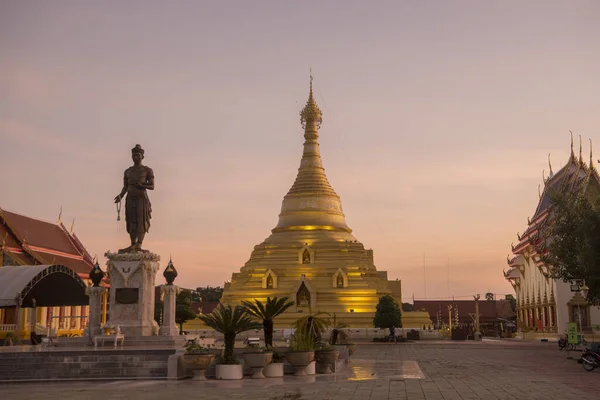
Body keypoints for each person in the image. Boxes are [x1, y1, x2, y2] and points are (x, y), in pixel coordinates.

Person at [114, 144, 154, 252]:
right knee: (131, 220)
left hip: (141, 197)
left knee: (141, 220)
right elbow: (126, 186)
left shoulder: (147, 170)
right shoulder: (128, 171)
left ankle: (139, 244)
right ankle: (133, 244)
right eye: (134, 155)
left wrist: (142, 186)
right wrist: (120, 196)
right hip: (130, 197)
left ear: (142, 157)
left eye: (138, 155)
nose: (136, 157)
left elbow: (152, 185)